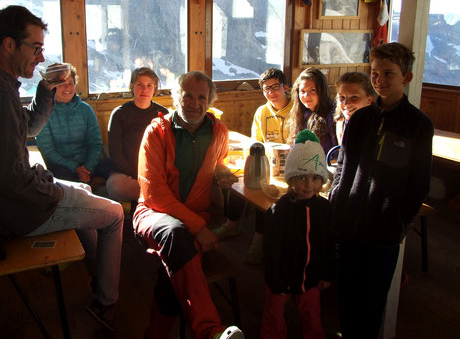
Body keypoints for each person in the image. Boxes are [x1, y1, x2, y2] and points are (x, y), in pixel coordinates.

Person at [0, 5, 124, 332]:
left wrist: (46, 89)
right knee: (115, 215)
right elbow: (9, 176)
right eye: (35, 48)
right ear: (8, 45)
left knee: (86, 191)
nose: (41, 57)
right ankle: (107, 302)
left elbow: (28, 128)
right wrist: (53, 192)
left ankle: (96, 273)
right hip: (18, 213)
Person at [329, 42, 434, 339]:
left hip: (383, 234)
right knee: (347, 299)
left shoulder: (418, 126)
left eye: (388, 74)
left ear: (407, 78)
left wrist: (398, 222)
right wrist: (336, 206)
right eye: (374, 73)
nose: (379, 80)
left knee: (372, 304)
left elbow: (419, 183)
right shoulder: (360, 119)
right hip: (348, 225)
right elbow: (344, 168)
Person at [133, 71, 244, 339]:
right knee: (176, 234)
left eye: (202, 97)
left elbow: (217, 161)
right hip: (153, 214)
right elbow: (154, 193)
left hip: (193, 220)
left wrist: (221, 172)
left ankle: (155, 334)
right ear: (175, 98)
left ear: (210, 100)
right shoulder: (156, 132)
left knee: (173, 264)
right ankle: (208, 330)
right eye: (188, 96)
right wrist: (199, 228)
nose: (195, 103)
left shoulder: (218, 131)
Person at [214, 68, 294, 264]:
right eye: (266, 89)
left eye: (275, 87)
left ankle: (259, 240)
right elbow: (255, 142)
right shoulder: (262, 111)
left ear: (286, 87)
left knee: (265, 193)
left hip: (288, 166)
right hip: (266, 161)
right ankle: (231, 224)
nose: (270, 93)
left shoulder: (296, 109)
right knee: (239, 178)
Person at [261, 130, 334, 339]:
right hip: (281, 280)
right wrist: (274, 281)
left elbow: (328, 243)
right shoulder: (279, 211)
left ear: (322, 180)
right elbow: (271, 249)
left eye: (314, 178)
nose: (308, 184)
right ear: (291, 178)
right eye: (301, 177)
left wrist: (327, 274)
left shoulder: (324, 209)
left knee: (312, 317)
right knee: (274, 319)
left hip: (310, 279)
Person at [36, 63, 113, 184]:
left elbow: (95, 144)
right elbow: (48, 151)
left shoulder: (86, 109)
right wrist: (75, 168)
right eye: (62, 84)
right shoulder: (43, 112)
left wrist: (87, 168)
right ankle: (88, 184)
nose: (67, 88)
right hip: (61, 167)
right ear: (52, 86)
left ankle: (89, 180)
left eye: (70, 83)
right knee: (59, 178)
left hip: (88, 165)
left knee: (114, 168)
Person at [106, 67, 169, 202]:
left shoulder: (163, 114)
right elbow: (116, 154)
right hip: (126, 174)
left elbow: (169, 151)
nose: (144, 90)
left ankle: (149, 197)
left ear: (155, 88)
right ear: (132, 86)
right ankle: (156, 197)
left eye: (149, 85)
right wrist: (138, 175)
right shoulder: (119, 114)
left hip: (155, 173)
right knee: (116, 187)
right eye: (140, 85)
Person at [288, 67, 338, 155]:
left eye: (312, 90)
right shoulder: (301, 113)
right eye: (302, 91)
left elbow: (338, 152)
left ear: (322, 91)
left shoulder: (332, 115)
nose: (306, 96)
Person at [334, 71, 376, 143]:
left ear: (369, 100)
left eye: (354, 97)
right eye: (342, 97)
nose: (346, 103)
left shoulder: (376, 127)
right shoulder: (341, 123)